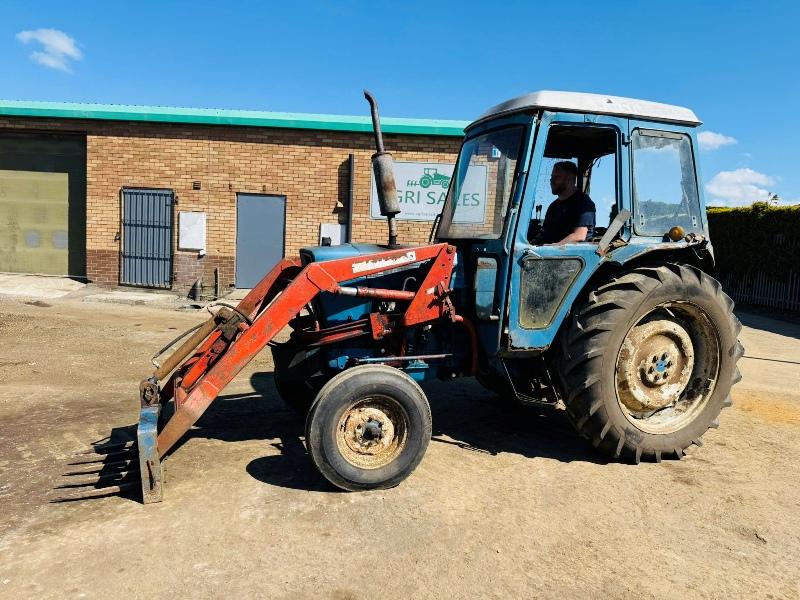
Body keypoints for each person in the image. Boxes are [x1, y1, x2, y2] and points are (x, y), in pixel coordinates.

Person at [533, 161, 596, 245]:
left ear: (569, 179)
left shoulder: (583, 203)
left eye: (557, 177)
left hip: (571, 256)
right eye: (552, 177)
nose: (552, 180)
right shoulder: (553, 206)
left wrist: (553, 248)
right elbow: (544, 234)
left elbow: (579, 235)